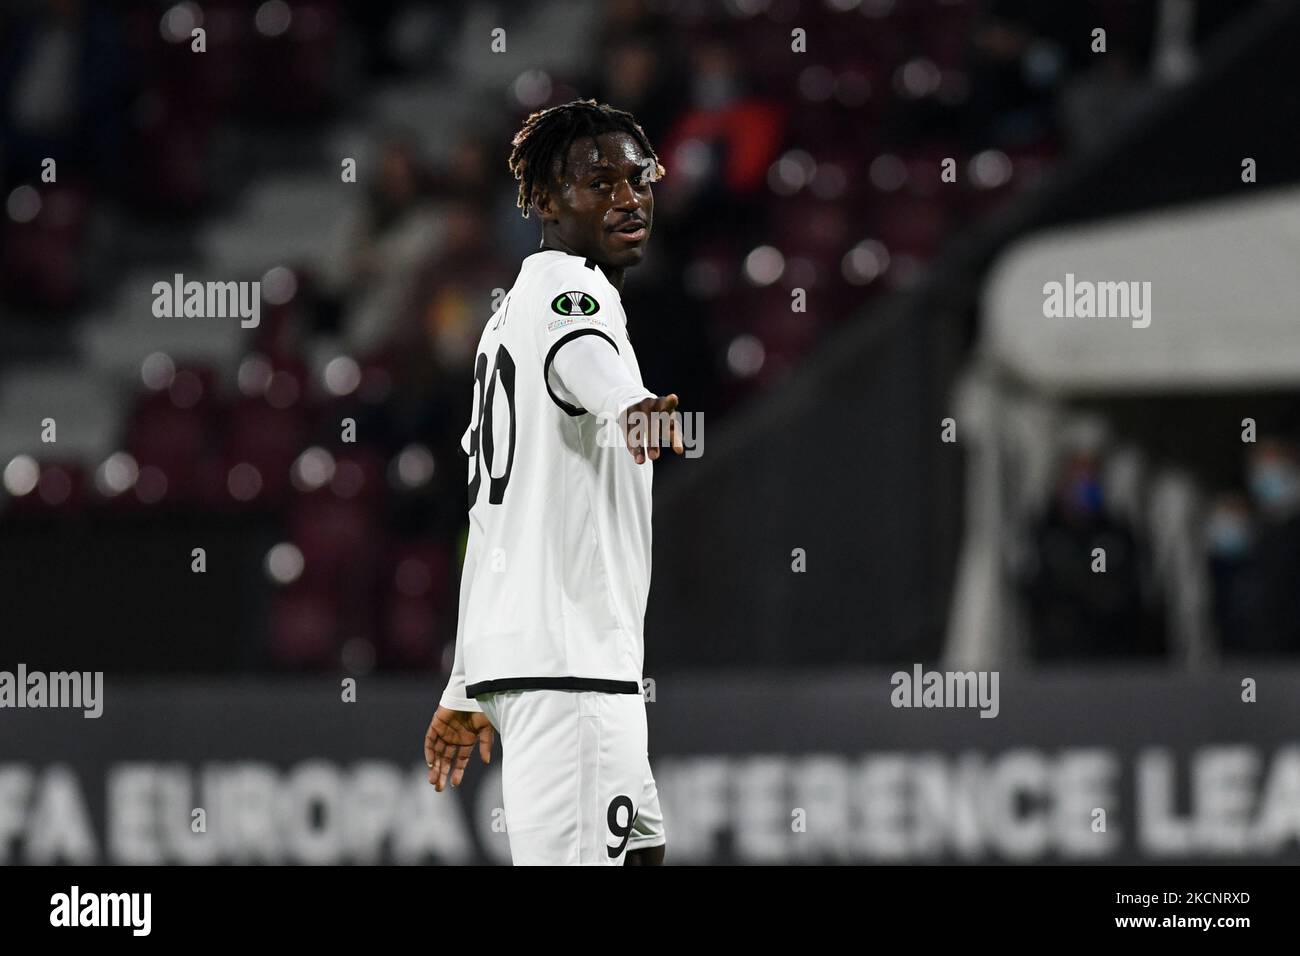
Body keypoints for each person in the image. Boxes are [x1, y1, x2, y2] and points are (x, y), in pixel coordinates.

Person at [423, 99, 684, 865]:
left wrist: (465, 683)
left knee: (639, 854)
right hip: (571, 675)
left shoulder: (506, 319)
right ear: (544, 201)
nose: (629, 197)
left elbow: (492, 522)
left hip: (545, 666)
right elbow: (592, 366)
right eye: (598, 182)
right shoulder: (576, 294)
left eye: (639, 179)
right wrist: (630, 405)